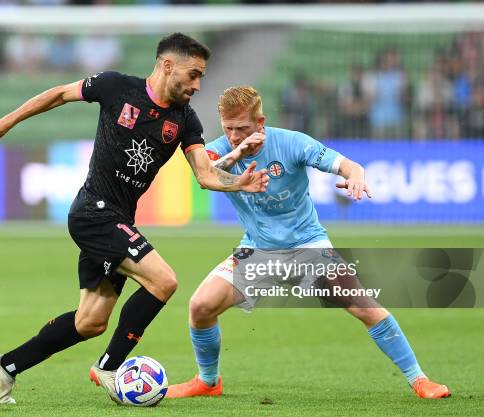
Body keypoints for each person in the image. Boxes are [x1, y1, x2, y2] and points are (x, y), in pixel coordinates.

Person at [0, 33, 269, 406]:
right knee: (164, 281)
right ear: (167, 65)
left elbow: (205, 175)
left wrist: (240, 182)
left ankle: (6, 366)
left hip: (118, 218)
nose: (197, 85)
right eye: (193, 75)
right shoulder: (115, 87)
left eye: (201, 77)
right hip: (94, 211)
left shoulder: (185, 120)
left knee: (89, 321)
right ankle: (109, 367)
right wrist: (5, 123)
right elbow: (60, 93)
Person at [166, 86, 450, 400]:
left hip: (307, 247)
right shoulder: (221, 149)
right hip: (258, 250)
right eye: (228, 128)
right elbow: (205, 177)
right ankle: (208, 382)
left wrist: (355, 175)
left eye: (242, 128)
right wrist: (239, 153)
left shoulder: (292, 143)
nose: (234, 135)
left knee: (365, 308)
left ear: (261, 122)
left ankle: (420, 380)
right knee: (200, 306)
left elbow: (347, 164)